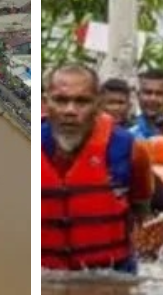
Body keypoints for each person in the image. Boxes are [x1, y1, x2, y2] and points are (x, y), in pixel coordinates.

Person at [40, 64, 154, 273]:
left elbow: (141, 210)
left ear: (98, 104)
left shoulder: (130, 150)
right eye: (61, 100)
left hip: (111, 276)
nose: (70, 111)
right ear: (46, 103)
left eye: (82, 101)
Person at [130, 68, 163, 139]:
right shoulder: (127, 133)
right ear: (138, 95)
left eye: (159, 93)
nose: (153, 99)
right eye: (148, 92)